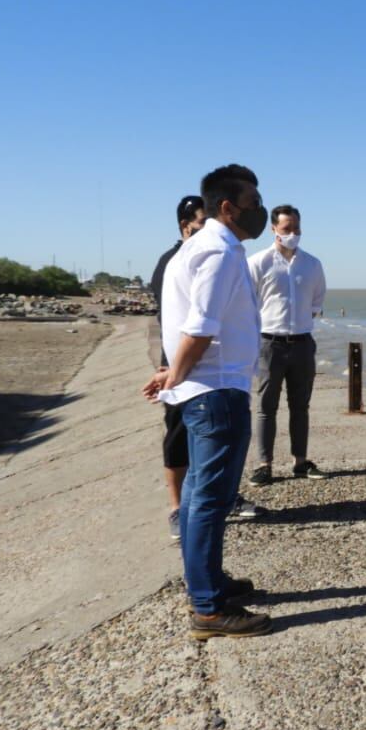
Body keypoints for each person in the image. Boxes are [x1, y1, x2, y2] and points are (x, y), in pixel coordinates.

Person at [142, 164, 273, 640]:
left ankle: (208, 583)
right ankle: (209, 609)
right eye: (254, 201)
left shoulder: (192, 249)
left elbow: (182, 323)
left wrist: (172, 372)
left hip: (204, 387)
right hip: (216, 391)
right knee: (209, 502)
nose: (258, 209)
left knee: (200, 496)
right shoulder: (219, 251)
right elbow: (199, 325)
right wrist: (176, 371)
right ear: (227, 206)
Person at [246, 204, 328, 485]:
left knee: (300, 406)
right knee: (267, 406)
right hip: (269, 343)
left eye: (297, 228)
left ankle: (300, 462)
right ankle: (264, 464)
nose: (293, 233)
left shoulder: (312, 264)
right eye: (287, 228)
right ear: (273, 229)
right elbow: (248, 303)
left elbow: (317, 302)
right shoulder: (258, 262)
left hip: (303, 343)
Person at [150, 195, 206, 541]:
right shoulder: (170, 262)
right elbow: (171, 320)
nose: (207, 229)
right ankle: (176, 507)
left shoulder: (205, 256)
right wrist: (169, 367)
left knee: (208, 436)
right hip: (177, 363)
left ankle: (212, 498)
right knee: (178, 434)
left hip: (208, 365)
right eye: (202, 223)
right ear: (186, 225)